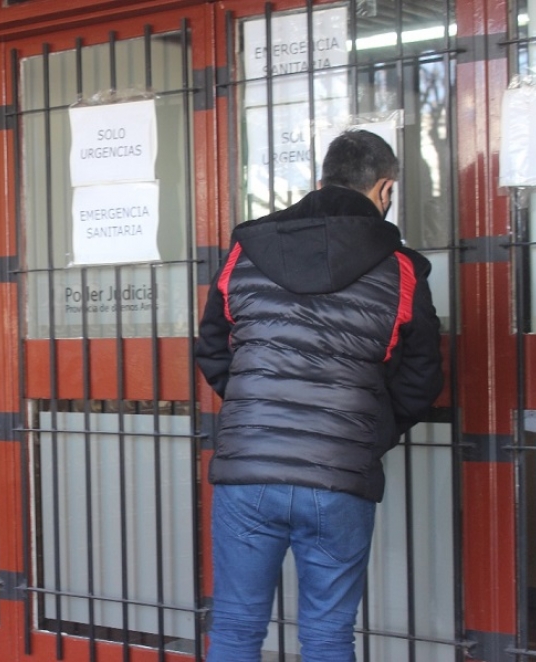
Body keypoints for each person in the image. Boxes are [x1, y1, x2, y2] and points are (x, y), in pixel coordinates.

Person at [195, 129, 443, 662]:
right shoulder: (400, 269)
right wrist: (372, 428)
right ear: (384, 189)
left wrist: (253, 406)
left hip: (248, 472)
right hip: (339, 473)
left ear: (319, 182)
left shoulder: (245, 251)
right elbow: (422, 374)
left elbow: (213, 347)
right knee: (328, 636)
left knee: (237, 629)